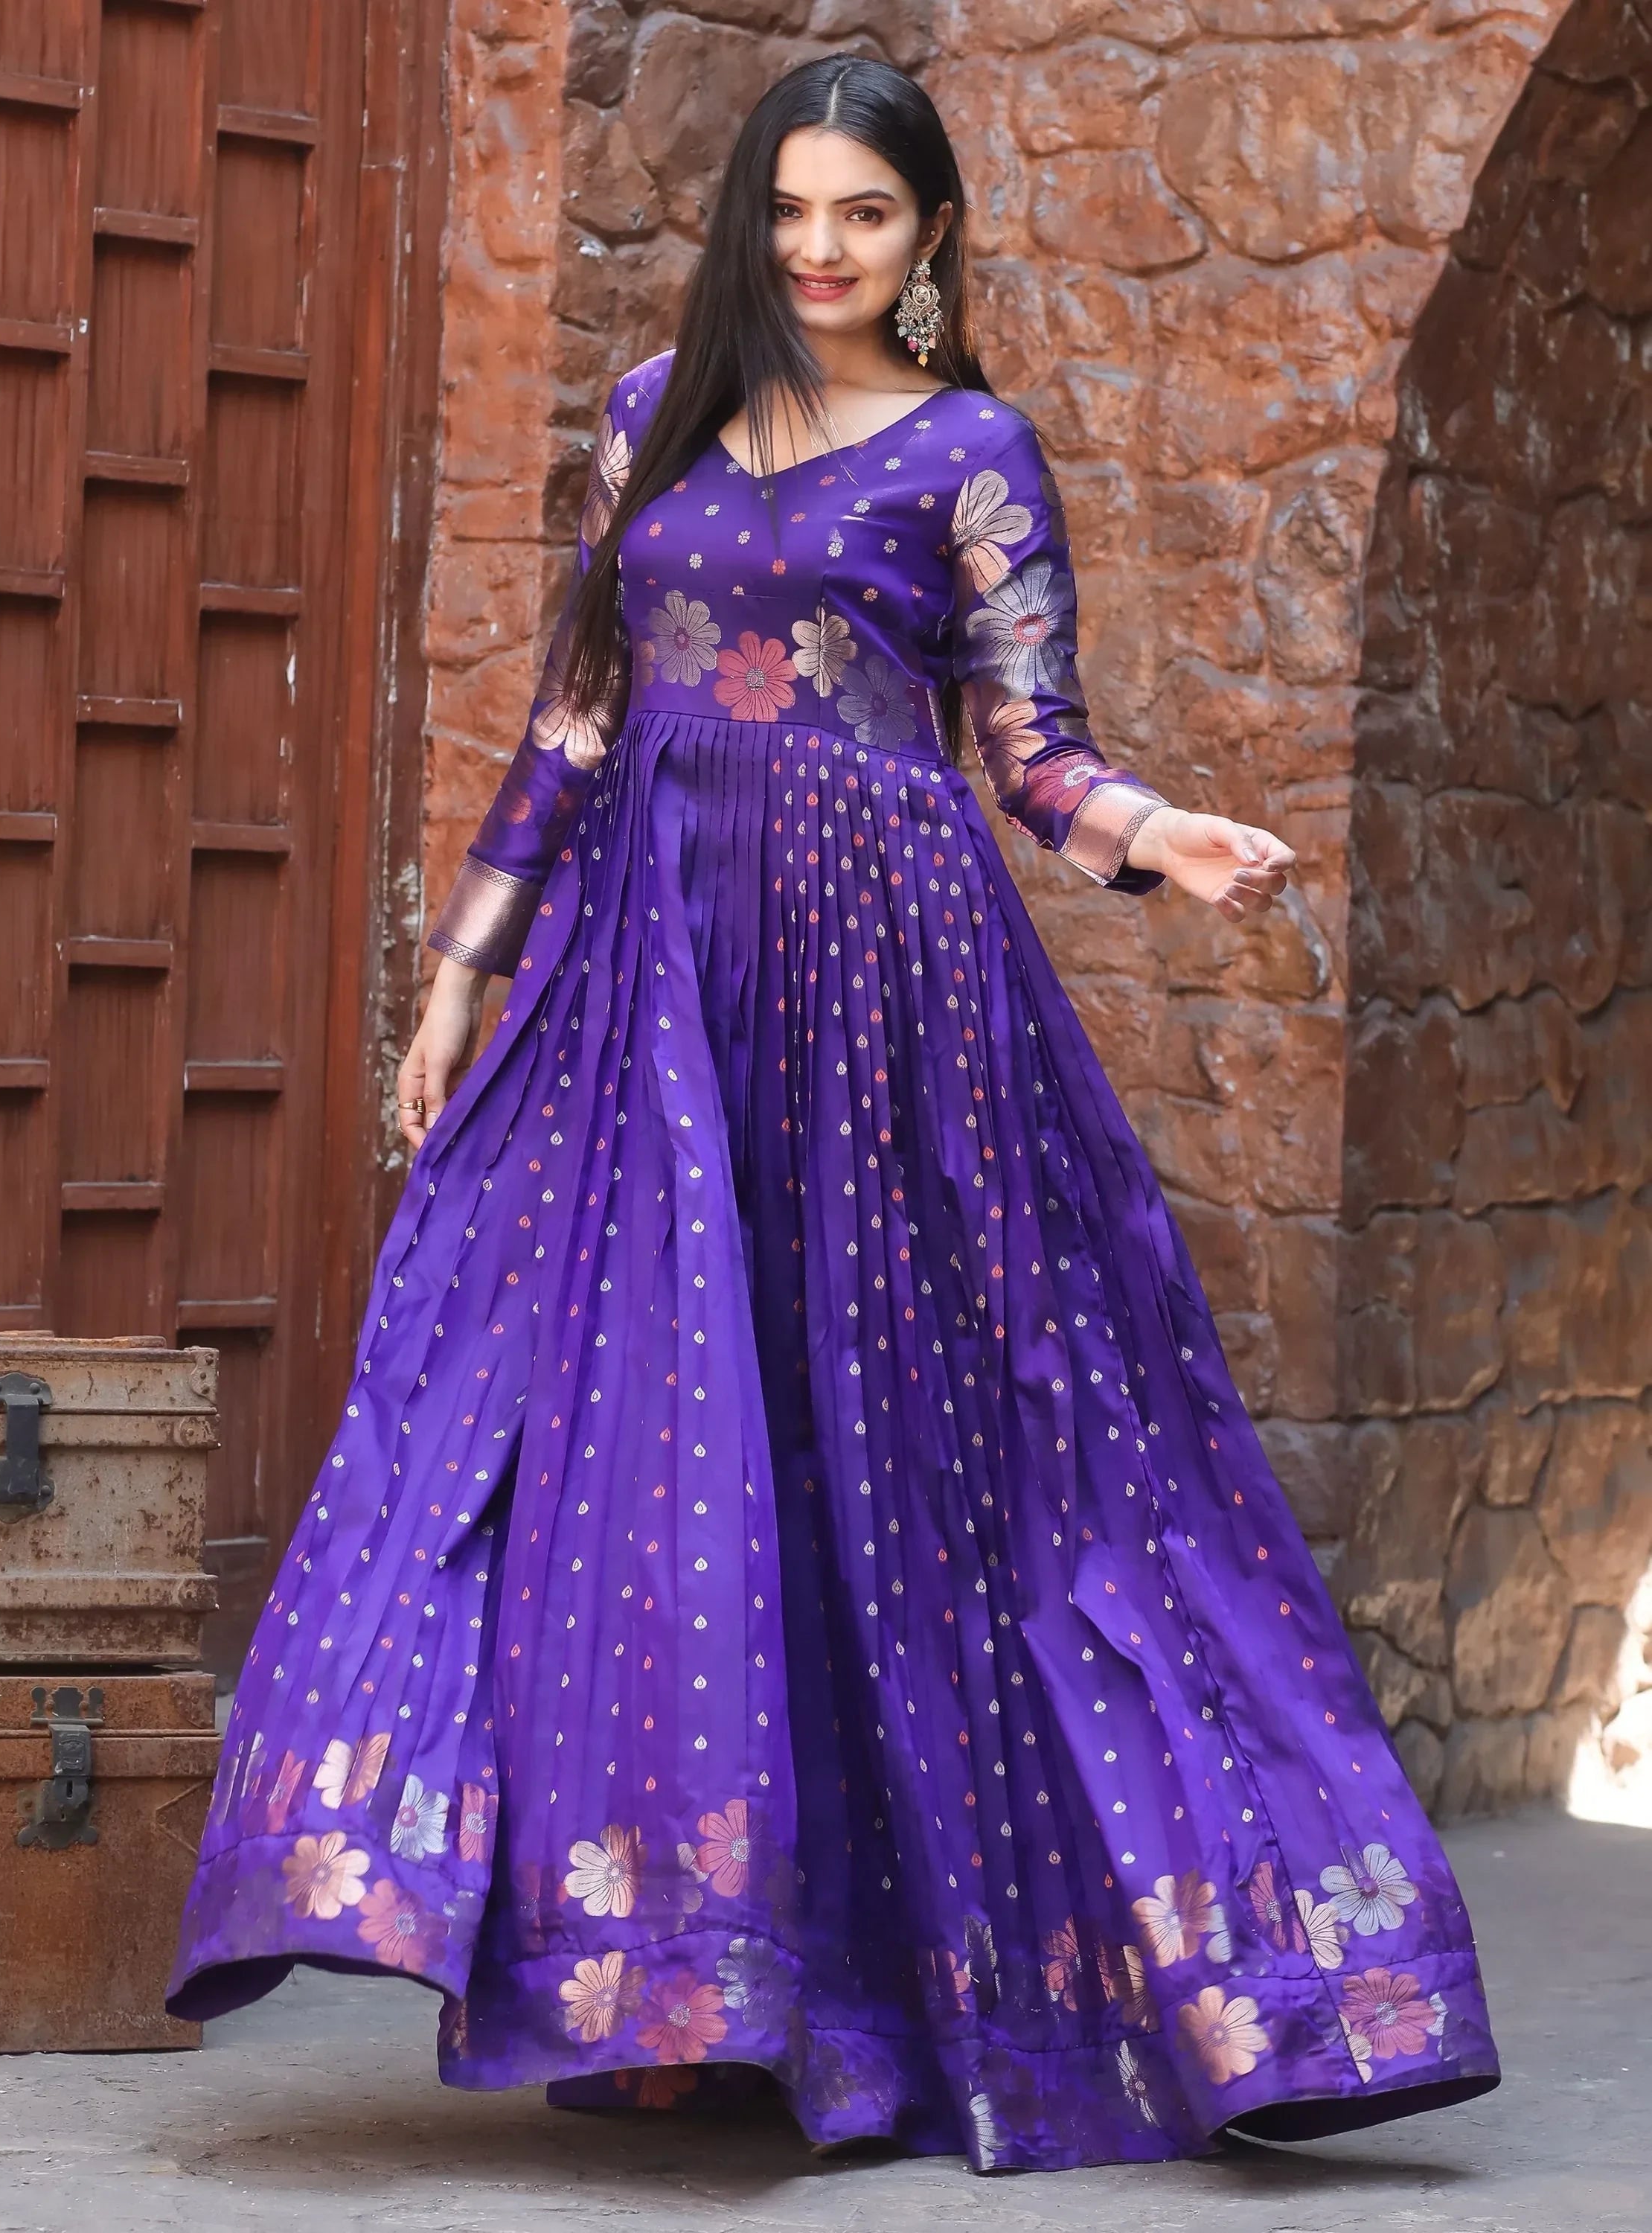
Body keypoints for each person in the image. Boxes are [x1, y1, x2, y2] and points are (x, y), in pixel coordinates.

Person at [168, 54, 1499, 2173]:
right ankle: (684, 1980)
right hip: (647, 994)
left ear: (929, 235)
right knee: (642, 1444)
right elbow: (575, 717)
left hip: (893, 1010)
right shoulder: (650, 420)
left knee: (922, 1451)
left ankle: (974, 1986)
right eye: (789, 210)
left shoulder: (973, 451)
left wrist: (1161, 837)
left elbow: (1028, 743)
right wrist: (460, 972)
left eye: (862, 216)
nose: (817, 249)